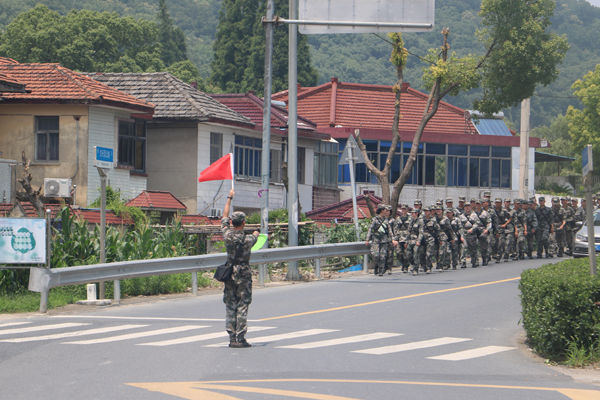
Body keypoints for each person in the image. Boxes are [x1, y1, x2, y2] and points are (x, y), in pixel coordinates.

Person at [222, 189, 259, 348]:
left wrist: (229, 197)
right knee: (243, 305)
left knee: (231, 304)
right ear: (243, 223)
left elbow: (224, 217)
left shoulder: (227, 235)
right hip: (243, 273)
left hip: (230, 273)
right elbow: (257, 236)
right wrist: (257, 232)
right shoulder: (249, 239)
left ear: (232, 223)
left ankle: (231, 338)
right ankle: (240, 338)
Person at [366, 204, 397, 276]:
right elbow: (370, 229)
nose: (386, 211)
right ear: (382, 210)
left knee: (383, 256)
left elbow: (389, 230)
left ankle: (381, 270)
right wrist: (367, 239)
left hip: (384, 240)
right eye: (385, 210)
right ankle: (376, 266)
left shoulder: (386, 220)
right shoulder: (374, 219)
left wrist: (393, 239)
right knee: (376, 255)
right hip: (376, 240)